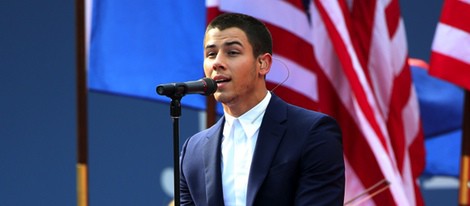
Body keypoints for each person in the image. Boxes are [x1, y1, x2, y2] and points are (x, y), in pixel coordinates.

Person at [180, 13, 345, 205]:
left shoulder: (313, 132)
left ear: (263, 63)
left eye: (232, 52)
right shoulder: (194, 149)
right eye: (211, 54)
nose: (217, 63)